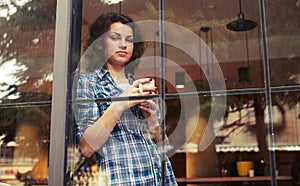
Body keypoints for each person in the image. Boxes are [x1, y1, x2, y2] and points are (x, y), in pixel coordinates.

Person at [73, 12, 177, 185]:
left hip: (162, 177)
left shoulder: (137, 86)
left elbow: (165, 147)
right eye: (115, 38)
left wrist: (153, 121)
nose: (123, 45)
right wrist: (119, 105)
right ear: (99, 44)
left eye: (129, 39)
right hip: (125, 179)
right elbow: (86, 148)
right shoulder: (88, 83)